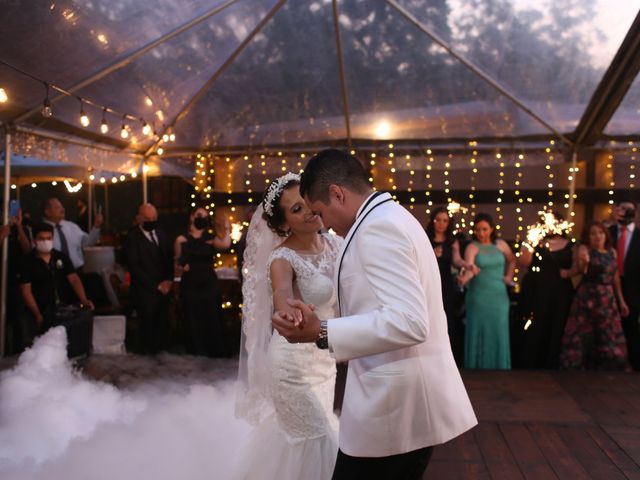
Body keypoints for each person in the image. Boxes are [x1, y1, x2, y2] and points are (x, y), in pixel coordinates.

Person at [272, 150, 476, 480]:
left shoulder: (378, 228)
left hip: (396, 405)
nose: (323, 223)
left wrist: (322, 331)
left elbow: (409, 321)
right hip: (397, 401)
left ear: (337, 193)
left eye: (321, 212)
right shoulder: (390, 217)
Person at [235, 172, 342, 479]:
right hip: (292, 365)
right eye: (296, 209)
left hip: (326, 361)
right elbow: (282, 295)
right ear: (283, 224)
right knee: (317, 439)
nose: (308, 211)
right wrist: (287, 313)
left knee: (313, 438)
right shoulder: (282, 258)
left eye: (306, 202)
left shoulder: (337, 244)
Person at [560, 221, 630, 370]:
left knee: (608, 333)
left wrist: (621, 301)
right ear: (588, 237)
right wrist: (580, 265)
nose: (597, 236)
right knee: (583, 332)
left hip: (607, 298)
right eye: (593, 233)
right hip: (588, 297)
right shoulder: (585, 250)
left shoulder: (612, 252)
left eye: (600, 233)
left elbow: (615, 277)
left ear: (605, 235)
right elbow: (580, 270)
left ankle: (608, 366)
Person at [16, 223, 94, 346]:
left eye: (48, 238)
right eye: (41, 238)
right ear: (34, 240)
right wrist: (37, 314)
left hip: (62, 308)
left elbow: (74, 279)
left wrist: (83, 299)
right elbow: (26, 290)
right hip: (40, 310)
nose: (45, 241)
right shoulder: (27, 262)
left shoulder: (60, 257)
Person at [516, 212, 574, 369]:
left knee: (556, 324)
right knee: (536, 323)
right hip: (537, 289)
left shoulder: (570, 244)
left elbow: (576, 267)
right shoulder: (536, 242)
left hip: (559, 290)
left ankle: (552, 361)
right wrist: (529, 244)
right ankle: (531, 361)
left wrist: (569, 273)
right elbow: (523, 262)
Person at [458, 213, 515, 370]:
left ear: (491, 229)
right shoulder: (472, 247)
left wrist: (509, 276)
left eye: (484, 229)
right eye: (477, 230)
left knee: (499, 330)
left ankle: (500, 368)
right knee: (478, 330)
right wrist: (464, 278)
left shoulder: (501, 245)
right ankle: (476, 369)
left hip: (499, 297)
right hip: (479, 297)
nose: (481, 233)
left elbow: (512, 260)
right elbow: (470, 268)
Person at [174, 207, 231, 357]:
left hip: (208, 283)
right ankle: (195, 351)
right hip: (190, 284)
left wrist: (227, 227)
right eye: (200, 215)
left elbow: (225, 245)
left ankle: (213, 350)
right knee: (192, 316)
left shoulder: (210, 238)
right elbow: (176, 265)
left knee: (211, 315)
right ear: (192, 217)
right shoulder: (181, 239)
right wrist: (181, 267)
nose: (202, 218)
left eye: (205, 217)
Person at [425, 206, 476, 364]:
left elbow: (456, 260)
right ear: (433, 221)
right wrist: (432, 254)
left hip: (445, 283)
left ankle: (447, 356)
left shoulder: (452, 241)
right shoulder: (425, 238)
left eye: (445, 220)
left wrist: (467, 265)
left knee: (447, 316)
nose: (441, 223)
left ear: (449, 223)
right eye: (438, 220)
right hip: (429, 281)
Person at [124, 203, 173, 354]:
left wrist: (168, 281)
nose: (151, 221)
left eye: (153, 218)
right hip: (144, 291)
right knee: (148, 326)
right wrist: (155, 286)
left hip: (164, 289)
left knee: (163, 324)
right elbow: (134, 267)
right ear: (139, 218)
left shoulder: (162, 235)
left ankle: (162, 352)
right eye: (147, 218)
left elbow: (168, 260)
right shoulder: (132, 238)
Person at [608, 200, 640, 370]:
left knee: (632, 328)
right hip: (609, 287)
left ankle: (633, 363)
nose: (624, 213)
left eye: (628, 210)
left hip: (634, 289)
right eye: (621, 209)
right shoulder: (608, 232)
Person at [42, 197, 103, 271]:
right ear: (47, 212)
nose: (62, 209)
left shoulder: (72, 226)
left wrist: (96, 227)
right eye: (57, 207)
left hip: (77, 271)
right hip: (54, 273)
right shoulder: (41, 230)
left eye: (62, 207)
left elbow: (88, 242)